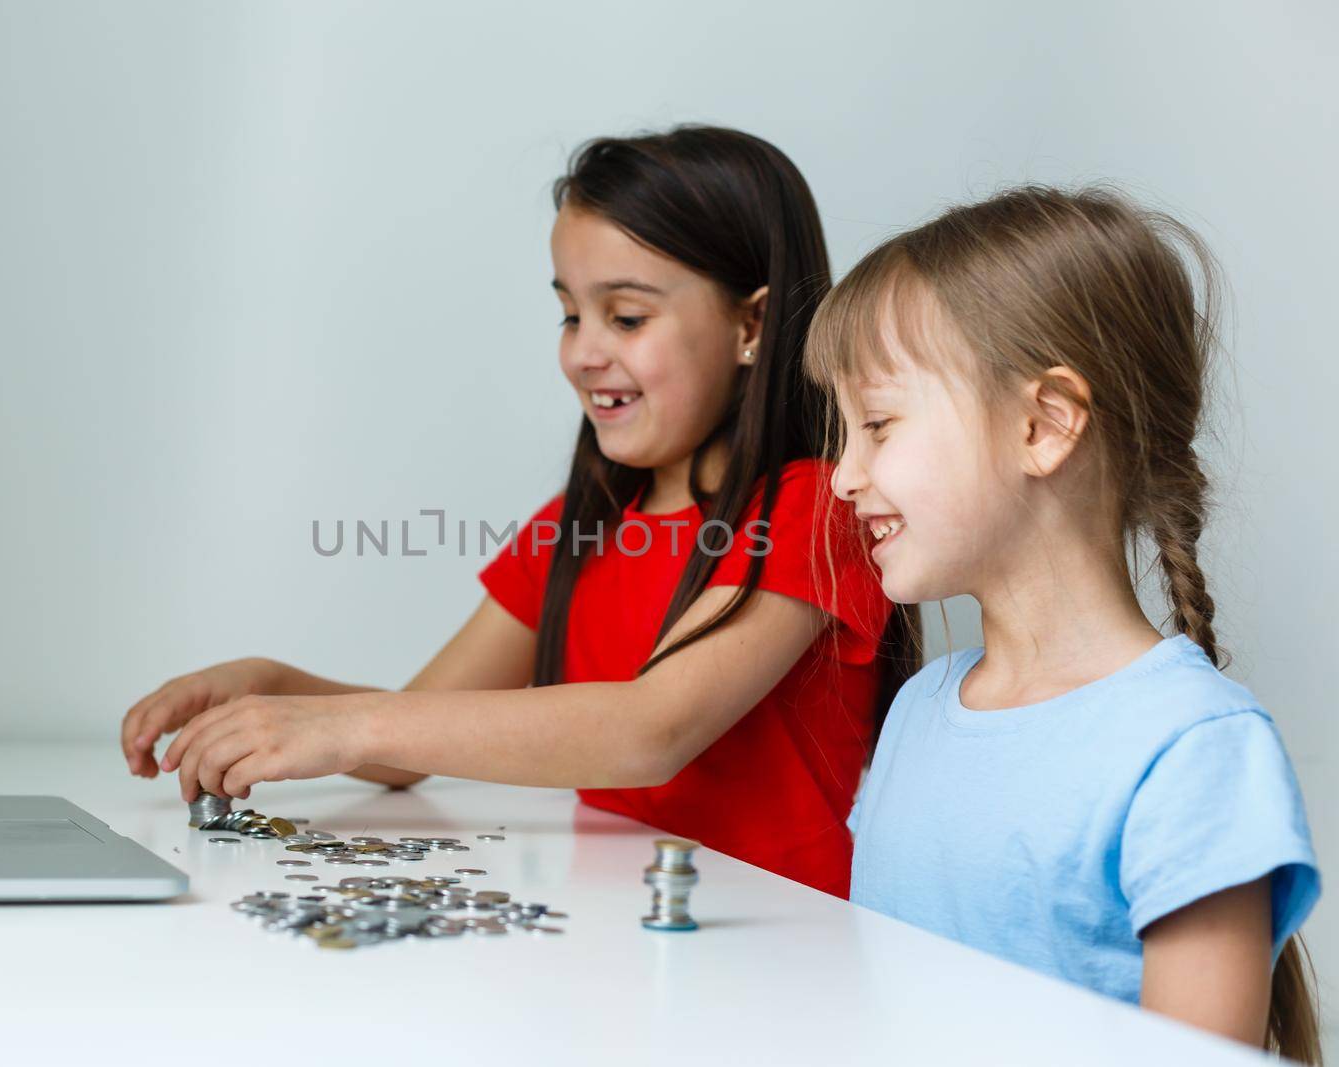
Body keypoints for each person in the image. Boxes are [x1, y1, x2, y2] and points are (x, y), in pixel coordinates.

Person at [120, 125, 916, 895]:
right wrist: (272, 689)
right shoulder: (578, 527)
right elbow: (407, 741)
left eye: (627, 317)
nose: (581, 351)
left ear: (751, 324)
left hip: (783, 943)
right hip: (617, 921)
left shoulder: (818, 506)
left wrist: (340, 725)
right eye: (571, 313)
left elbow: (650, 731)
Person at [808, 184, 1321, 1057]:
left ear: (1044, 424)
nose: (841, 475)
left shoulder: (1194, 749)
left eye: (878, 424)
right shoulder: (918, 711)